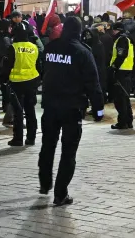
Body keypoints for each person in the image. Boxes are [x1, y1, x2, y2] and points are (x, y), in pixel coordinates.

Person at [37, 13, 104, 206]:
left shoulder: (51, 48)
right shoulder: (83, 52)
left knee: (47, 146)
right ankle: (60, 194)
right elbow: (93, 84)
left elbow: (43, 70)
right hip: (72, 108)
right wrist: (98, 110)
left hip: (50, 106)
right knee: (68, 152)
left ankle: (45, 183)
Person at [3, 21, 41, 147]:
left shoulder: (13, 48)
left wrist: (3, 79)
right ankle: (31, 138)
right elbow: (38, 65)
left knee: (18, 112)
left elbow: (7, 66)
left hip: (16, 83)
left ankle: (18, 139)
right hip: (32, 81)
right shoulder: (34, 47)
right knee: (30, 110)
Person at [108, 21, 135, 130]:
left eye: (114, 30)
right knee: (125, 97)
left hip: (121, 71)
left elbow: (121, 55)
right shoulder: (128, 38)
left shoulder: (122, 39)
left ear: (117, 30)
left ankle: (123, 122)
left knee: (120, 99)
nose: (112, 32)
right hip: (127, 70)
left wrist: (113, 67)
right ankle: (128, 121)